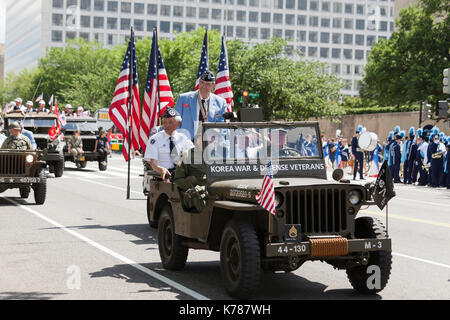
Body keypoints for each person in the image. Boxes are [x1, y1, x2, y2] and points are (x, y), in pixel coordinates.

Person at [144, 108, 194, 182]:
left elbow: (193, 155)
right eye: (164, 122)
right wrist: (160, 169)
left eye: (170, 122)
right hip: (162, 177)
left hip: (181, 175)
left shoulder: (183, 138)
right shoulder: (155, 139)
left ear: (178, 123)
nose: (167, 125)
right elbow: (152, 163)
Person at [174, 71, 227, 140]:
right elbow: (175, 122)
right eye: (202, 83)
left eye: (207, 84)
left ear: (213, 86)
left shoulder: (221, 102)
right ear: (199, 83)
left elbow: (222, 127)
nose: (204, 86)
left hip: (210, 143)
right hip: (187, 142)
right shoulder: (183, 98)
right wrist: (178, 141)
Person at [174, 135, 207, 212]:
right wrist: (191, 182)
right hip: (196, 192)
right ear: (198, 140)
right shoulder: (187, 155)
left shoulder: (218, 155)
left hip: (213, 189)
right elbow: (178, 180)